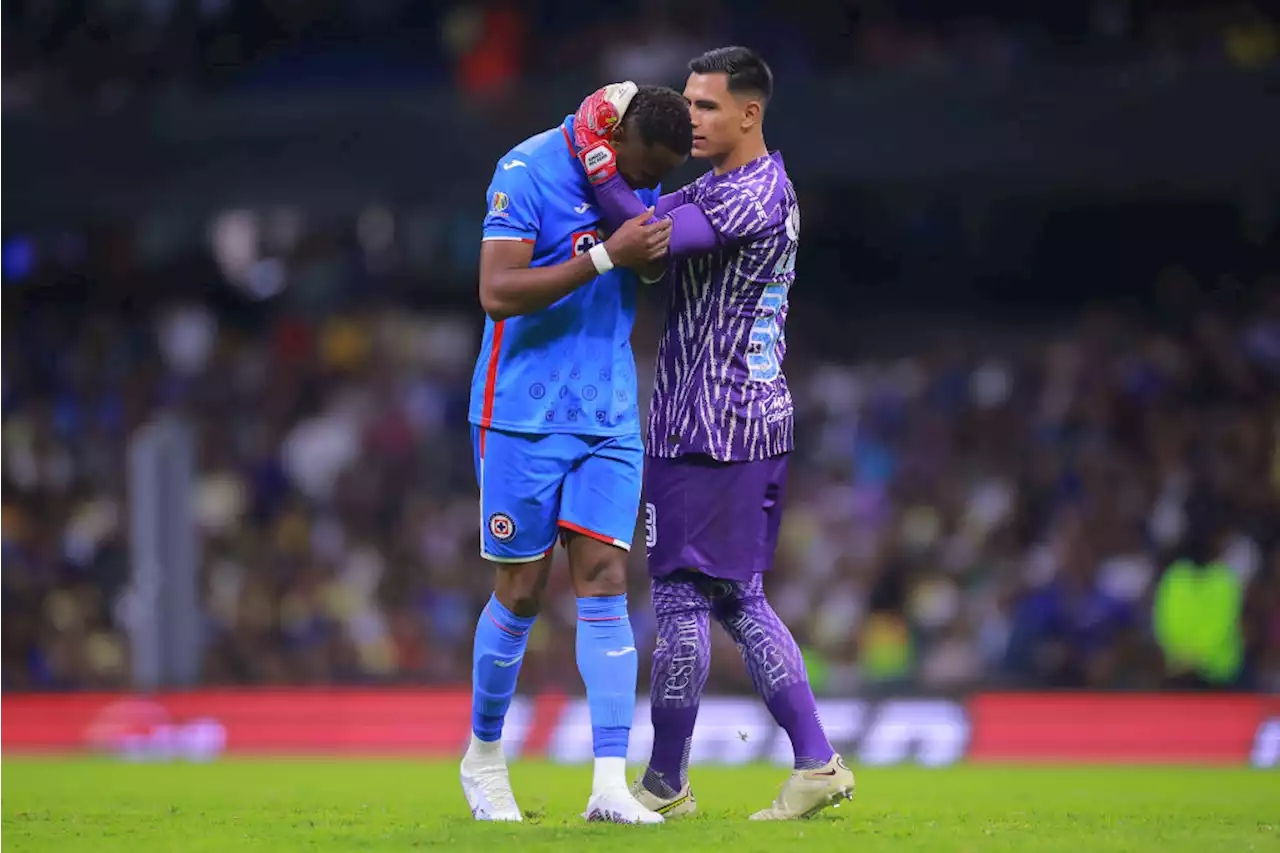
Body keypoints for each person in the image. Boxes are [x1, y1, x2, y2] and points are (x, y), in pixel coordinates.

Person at [571, 46, 856, 820]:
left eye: (705, 106)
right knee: (725, 596)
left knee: (688, 599)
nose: (689, 117)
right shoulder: (729, 185)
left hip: (713, 426)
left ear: (749, 113)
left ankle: (710, 776)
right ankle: (760, 768)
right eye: (688, 104)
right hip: (726, 423)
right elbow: (658, 248)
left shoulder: (751, 192)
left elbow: (649, 239)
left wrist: (591, 156)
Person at [461, 83, 692, 824]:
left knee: (604, 580)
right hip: (521, 413)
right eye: (642, 169)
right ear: (616, 136)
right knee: (523, 590)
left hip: (608, 410)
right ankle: (484, 757)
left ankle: (607, 784)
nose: (646, 186)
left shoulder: (632, 175)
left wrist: (640, 240)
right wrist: (605, 259)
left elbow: (651, 265)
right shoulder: (526, 170)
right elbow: (497, 292)